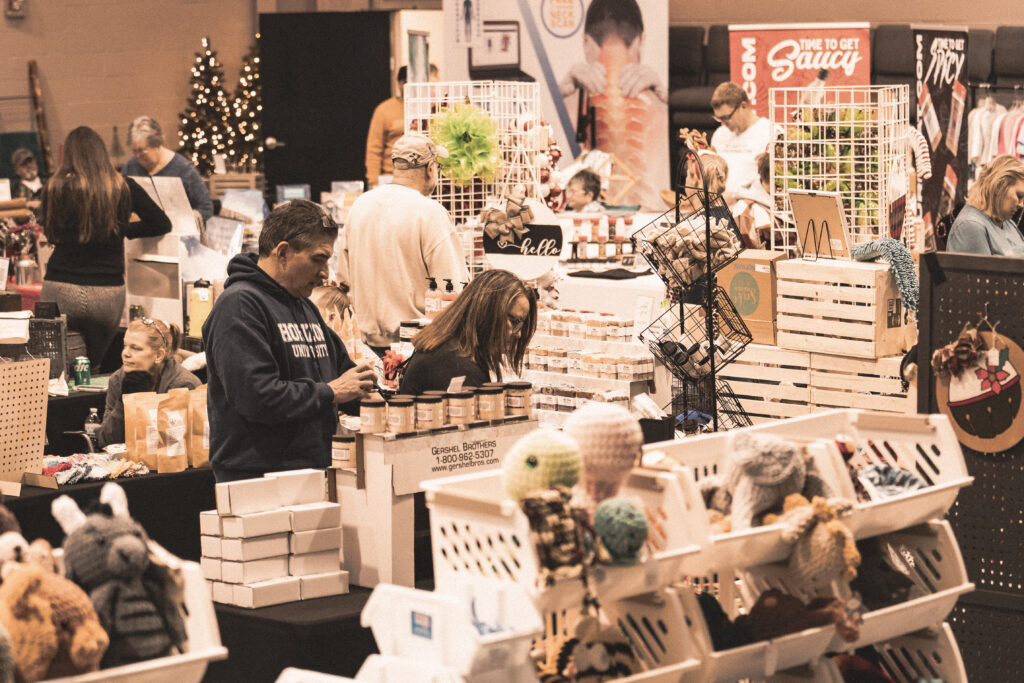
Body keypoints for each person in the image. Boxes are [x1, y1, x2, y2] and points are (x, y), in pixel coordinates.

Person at [203, 199, 375, 482]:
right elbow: (256, 397)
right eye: (318, 259)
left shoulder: (304, 306)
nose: (325, 273)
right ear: (283, 252)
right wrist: (330, 392)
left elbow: (344, 374)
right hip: (257, 479)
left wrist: (375, 397)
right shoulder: (239, 306)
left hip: (309, 472)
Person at [40, 126, 172, 366]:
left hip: (61, 286)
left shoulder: (55, 186)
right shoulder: (122, 186)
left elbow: (51, 233)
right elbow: (161, 223)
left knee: (59, 369)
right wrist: (120, 229)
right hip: (106, 291)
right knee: (93, 366)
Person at [342, 133, 469, 355]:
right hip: (418, 348)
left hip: (365, 349)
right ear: (430, 169)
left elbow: (343, 281)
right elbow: (453, 289)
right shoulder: (429, 212)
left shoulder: (360, 206)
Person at [558, 0, 667, 210]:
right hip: (647, 211)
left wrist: (557, 94)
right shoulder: (660, 108)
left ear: (587, 42)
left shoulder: (568, 105)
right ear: (639, 42)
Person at [398, 269, 536, 395]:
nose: (518, 334)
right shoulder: (458, 366)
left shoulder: (451, 348)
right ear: (488, 312)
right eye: (515, 321)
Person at [96, 318, 201, 449]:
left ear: (158, 355)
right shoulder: (118, 379)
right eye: (124, 346)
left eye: (136, 348)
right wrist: (123, 404)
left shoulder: (183, 385)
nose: (125, 353)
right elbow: (106, 441)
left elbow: (173, 445)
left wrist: (143, 401)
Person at [122, 116, 214, 221]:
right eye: (134, 151)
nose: (138, 156)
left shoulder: (183, 169)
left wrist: (186, 218)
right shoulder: (130, 166)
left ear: (157, 144)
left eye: (142, 150)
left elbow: (206, 208)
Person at [709, 82, 772, 209]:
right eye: (719, 119)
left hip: (753, 211)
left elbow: (770, 182)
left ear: (743, 106)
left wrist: (735, 195)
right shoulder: (719, 134)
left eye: (726, 117)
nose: (723, 124)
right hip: (717, 211)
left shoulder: (770, 132)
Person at [947, 154, 1024, 256]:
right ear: (999, 186)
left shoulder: (1007, 223)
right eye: (1019, 196)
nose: (1021, 205)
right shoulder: (971, 226)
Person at [365, 66, 408, 188]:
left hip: (420, 178)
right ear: (400, 84)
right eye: (405, 82)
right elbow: (374, 148)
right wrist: (373, 182)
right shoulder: (384, 110)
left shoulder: (428, 107)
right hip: (390, 178)